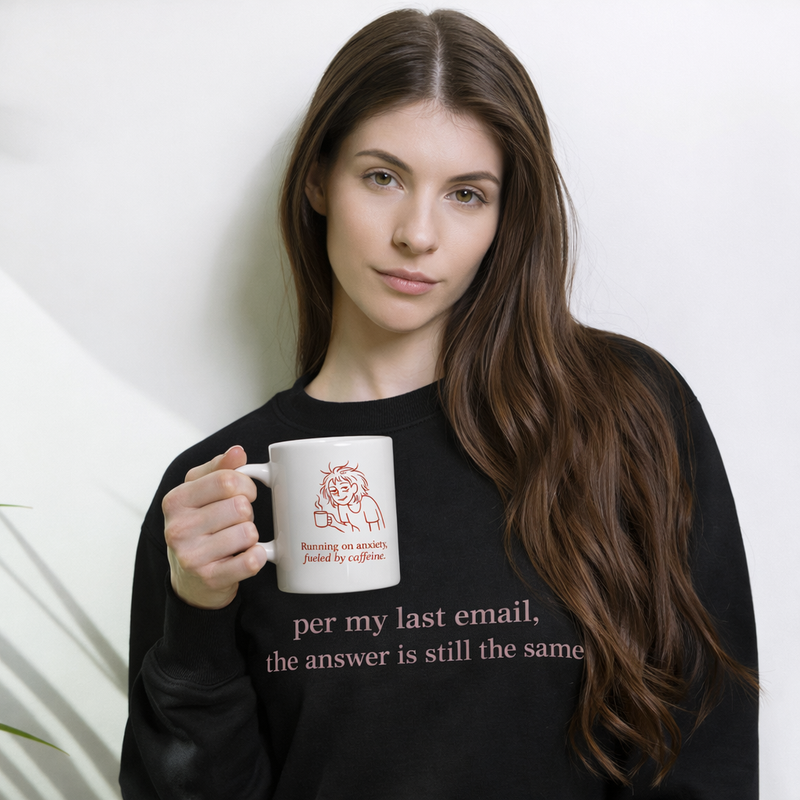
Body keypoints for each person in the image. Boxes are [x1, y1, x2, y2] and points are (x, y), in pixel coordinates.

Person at [119, 8, 758, 798]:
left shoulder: (622, 415)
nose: (417, 234)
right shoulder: (217, 492)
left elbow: (705, 749)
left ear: (504, 216)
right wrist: (197, 618)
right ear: (318, 178)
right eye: (382, 177)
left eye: (465, 194)